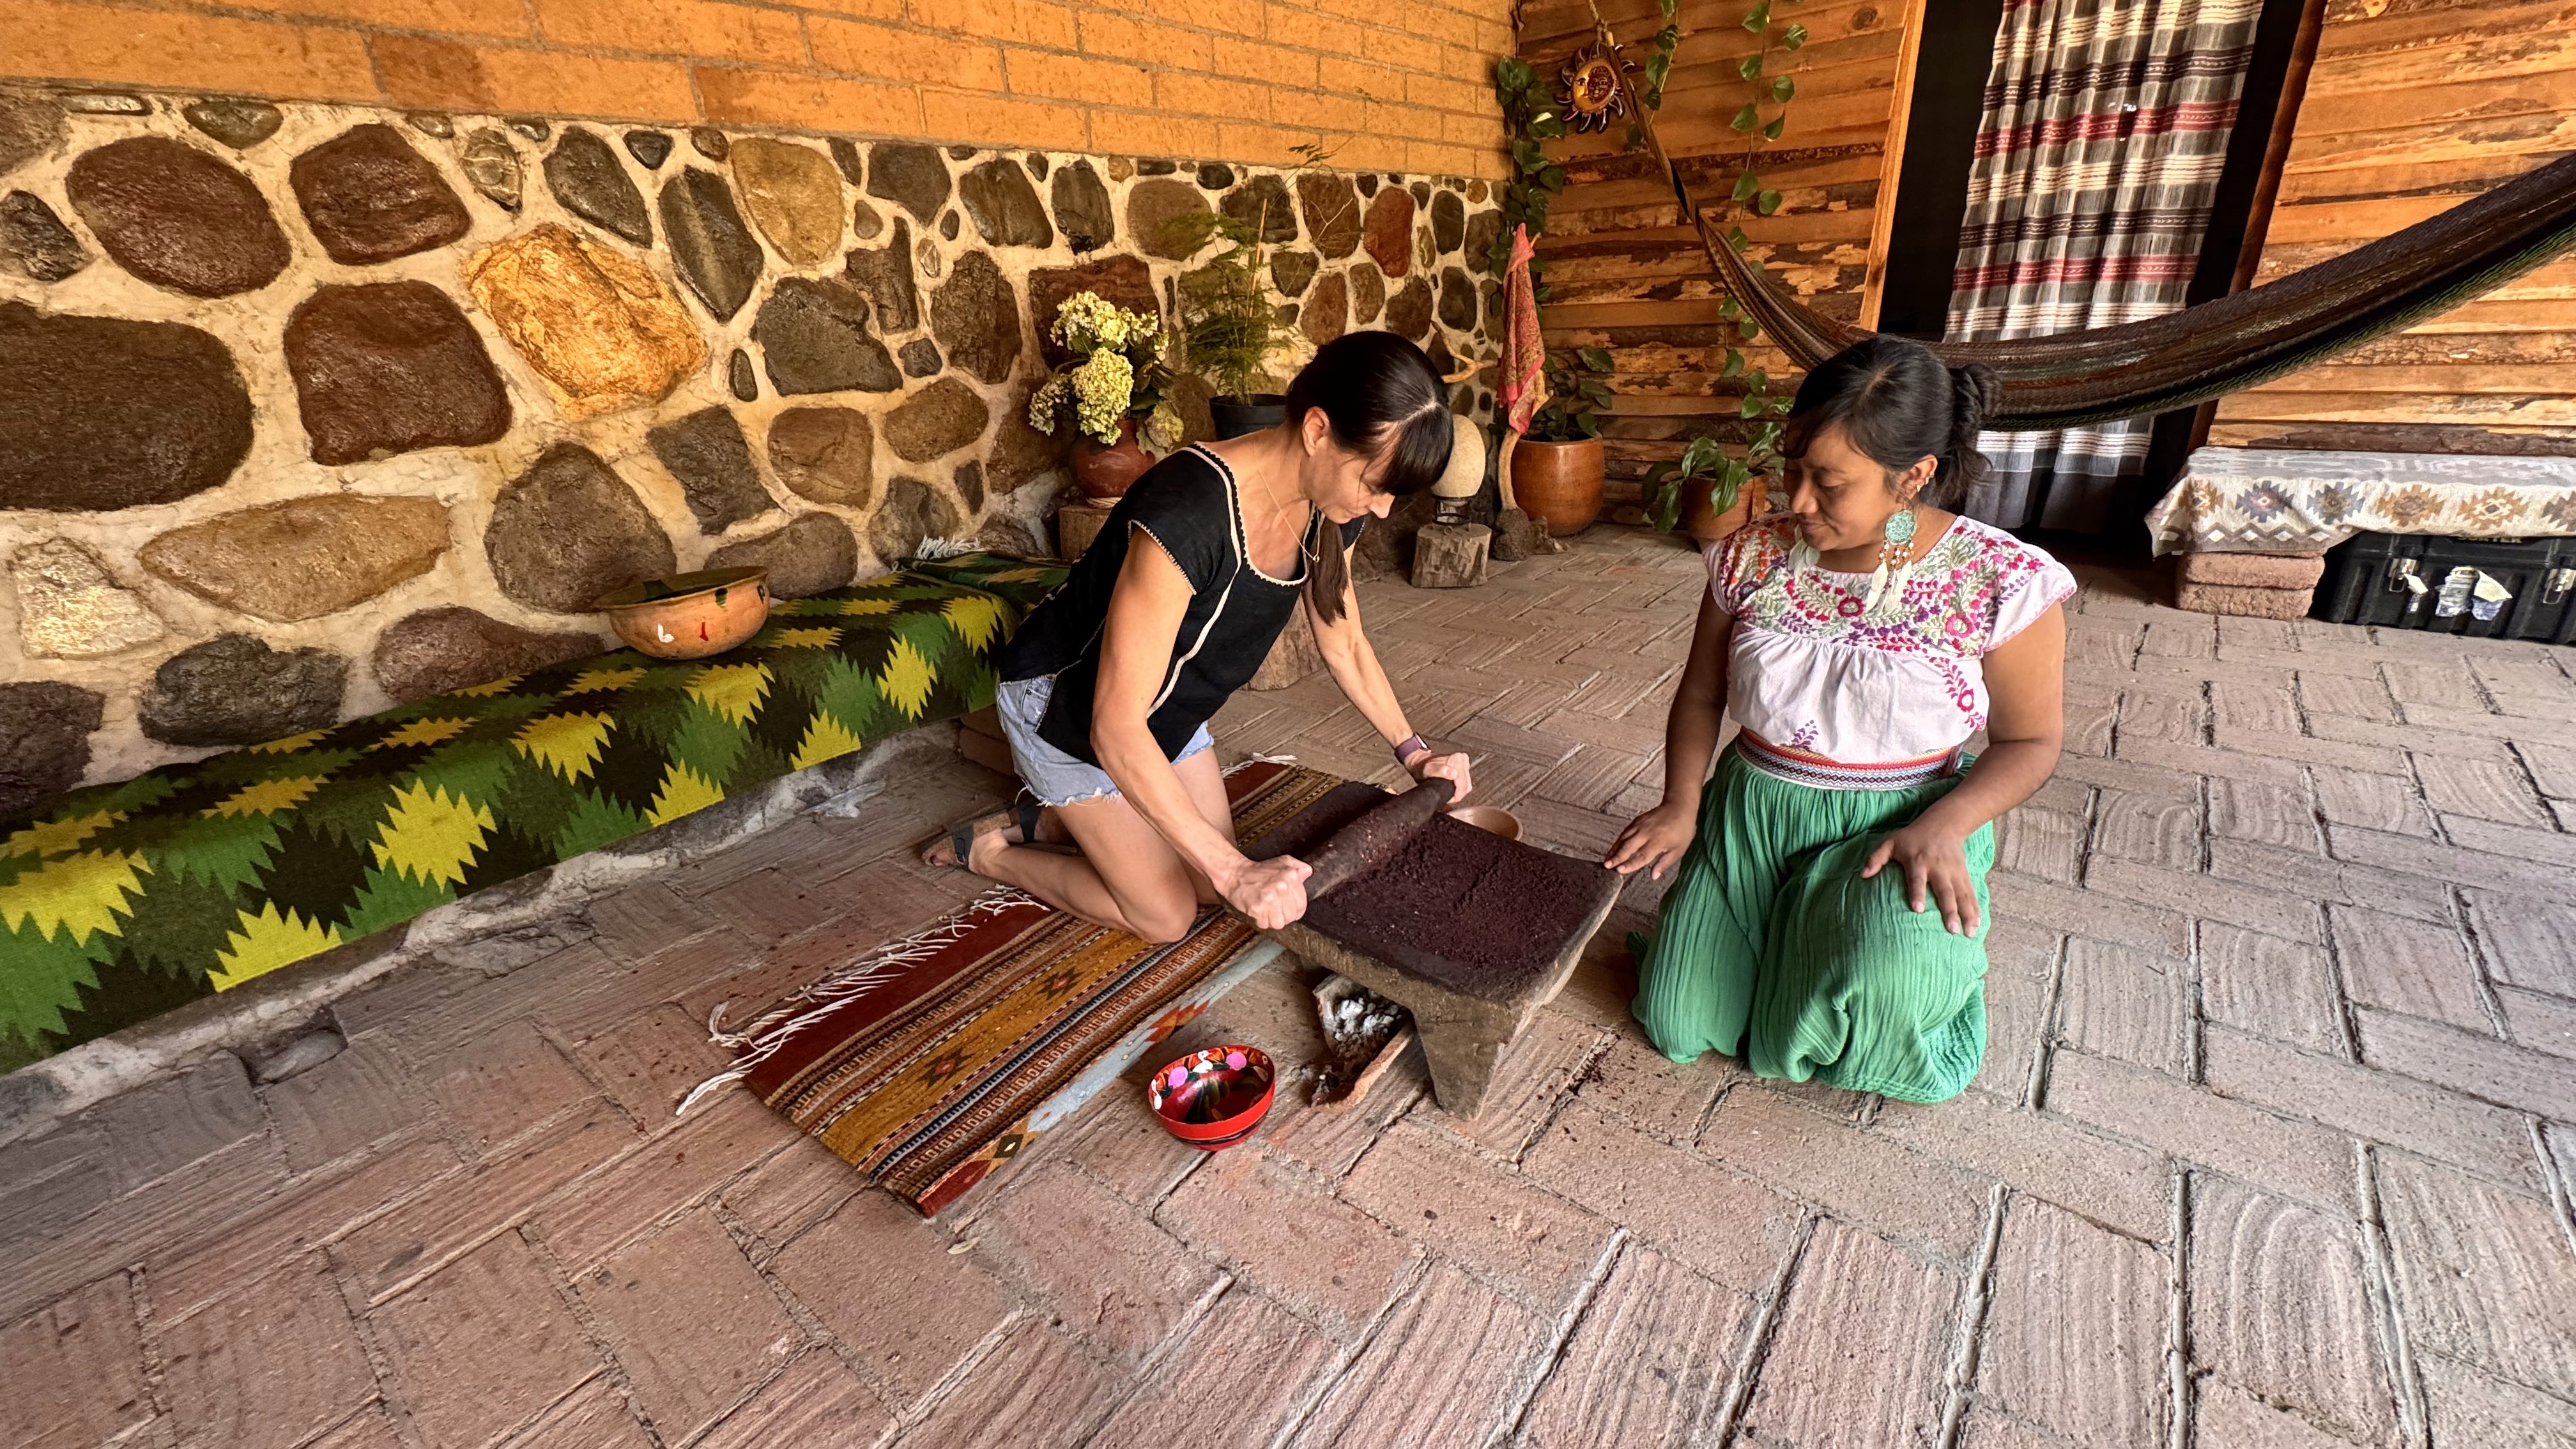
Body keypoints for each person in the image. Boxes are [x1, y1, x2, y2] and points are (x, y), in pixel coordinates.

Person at [1606, 335, 2074, 1103]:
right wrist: (1682, 805)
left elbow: (2032, 741)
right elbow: (1700, 694)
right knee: (1677, 1018)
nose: (1797, 501)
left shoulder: (2000, 581)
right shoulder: (1751, 557)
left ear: (1913, 476)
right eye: (1791, 467)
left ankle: (1918, 960)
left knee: (1880, 1008)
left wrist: (1949, 824)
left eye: (1828, 482)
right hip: (1756, 813)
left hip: (1900, 827)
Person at [924, 331, 1475, 940]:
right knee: (1167, 914)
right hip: (1064, 707)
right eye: (1375, 484)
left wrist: (1414, 752)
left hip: (1168, 710)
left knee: (1211, 889)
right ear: (1318, 430)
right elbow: (1115, 726)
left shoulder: (1330, 504)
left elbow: (1344, 642)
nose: (1383, 509)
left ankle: (1059, 822)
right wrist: (1236, 871)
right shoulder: (1190, 513)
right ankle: (992, 853)